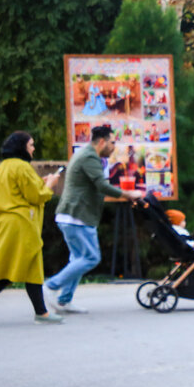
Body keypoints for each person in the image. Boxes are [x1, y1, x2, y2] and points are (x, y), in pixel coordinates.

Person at [44, 125, 143, 314]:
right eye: (113, 143)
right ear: (102, 142)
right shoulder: (89, 157)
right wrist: (128, 194)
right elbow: (102, 185)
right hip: (77, 216)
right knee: (91, 257)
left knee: (78, 259)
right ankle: (50, 286)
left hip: (74, 215)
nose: (114, 147)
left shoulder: (86, 154)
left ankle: (64, 300)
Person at [0, 132, 62, 325]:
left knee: (28, 267)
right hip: (21, 224)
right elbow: (36, 196)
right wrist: (51, 185)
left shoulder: (4, 166)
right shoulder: (22, 167)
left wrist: (40, 182)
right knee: (15, 267)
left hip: (5, 223)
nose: (33, 148)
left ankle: (41, 312)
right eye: (31, 145)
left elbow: (22, 190)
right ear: (22, 147)